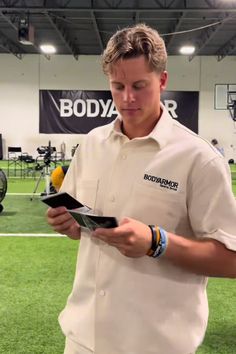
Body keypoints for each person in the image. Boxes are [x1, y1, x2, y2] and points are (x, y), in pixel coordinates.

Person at [46, 24, 236, 354]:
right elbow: (82, 225)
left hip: (155, 343)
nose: (127, 98)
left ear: (162, 81)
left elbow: (230, 260)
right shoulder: (92, 144)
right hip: (82, 337)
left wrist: (156, 242)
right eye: (117, 86)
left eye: (139, 85)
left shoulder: (198, 158)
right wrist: (69, 225)